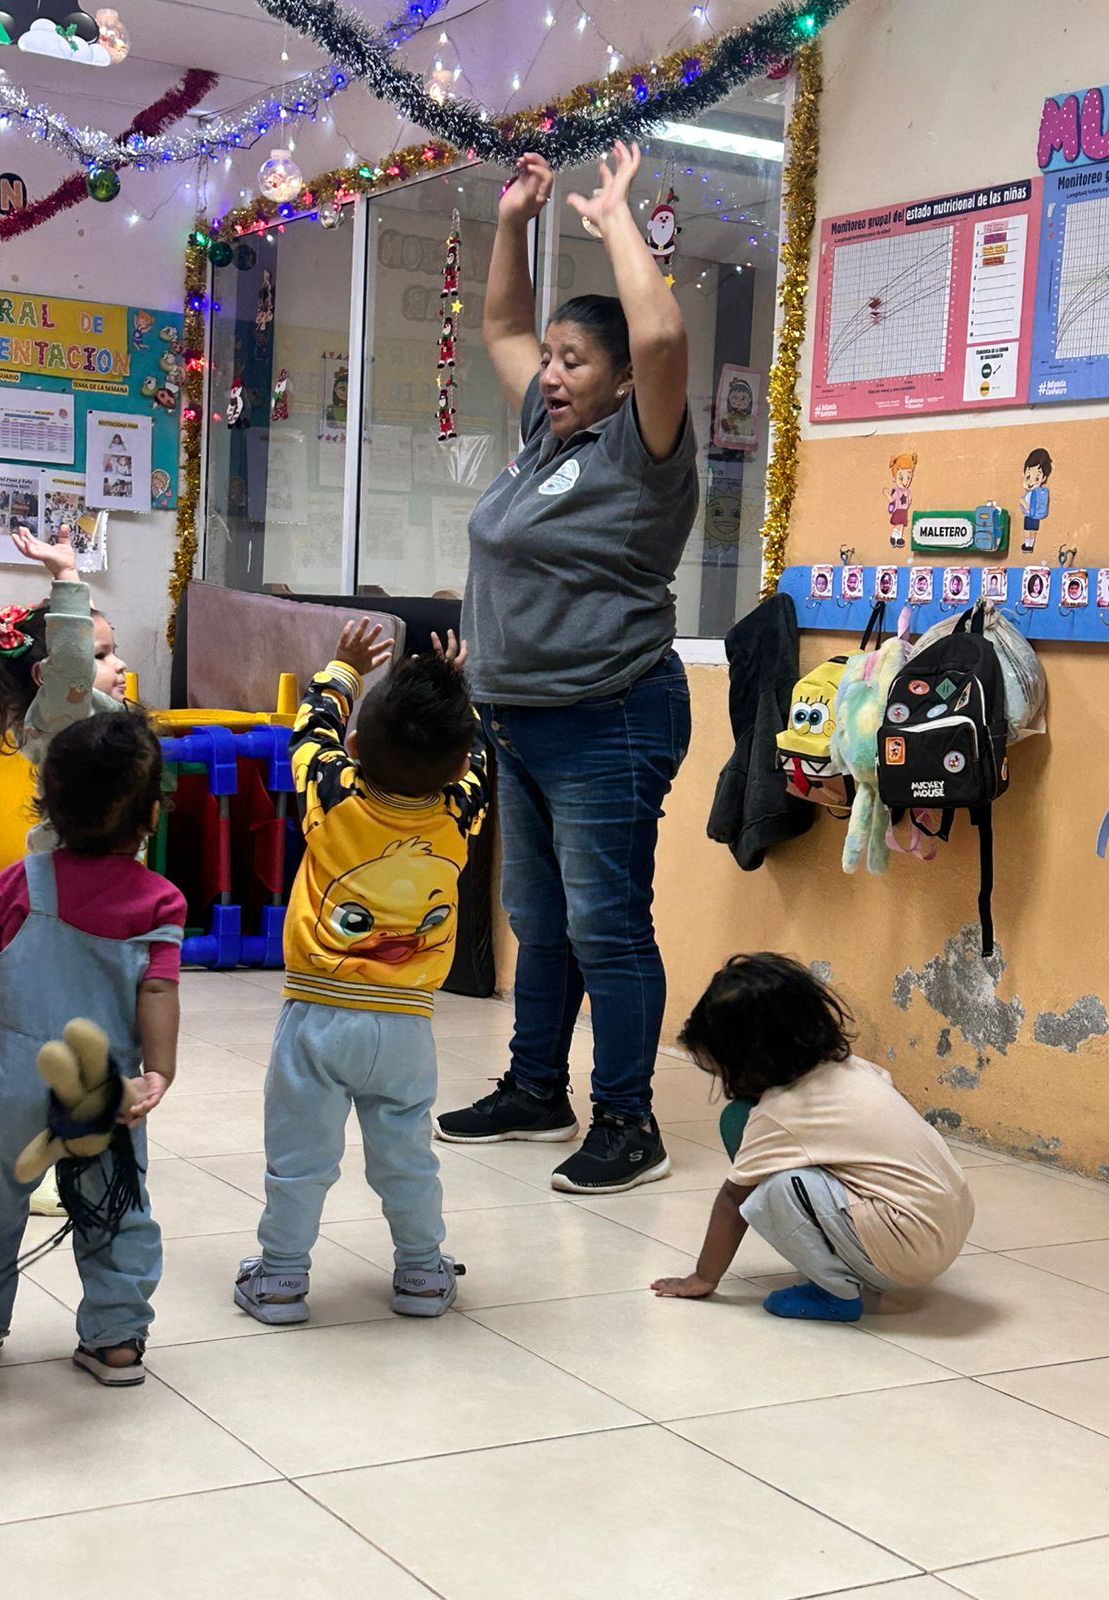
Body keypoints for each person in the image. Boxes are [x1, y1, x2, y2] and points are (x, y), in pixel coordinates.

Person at [435, 142, 698, 1195]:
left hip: (609, 714)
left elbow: (664, 332)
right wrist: (511, 221)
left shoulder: (642, 447)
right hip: (521, 717)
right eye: (552, 358)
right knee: (540, 923)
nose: (550, 372)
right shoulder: (547, 439)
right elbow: (501, 328)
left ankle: (628, 1122)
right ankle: (536, 1087)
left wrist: (614, 216)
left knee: (606, 925)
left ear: (624, 378)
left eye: (575, 360)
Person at [0, 714, 185, 1382]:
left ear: (47, 804)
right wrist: (158, 1071)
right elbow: (157, 990)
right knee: (115, 1207)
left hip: (6, 1079)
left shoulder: (19, 883)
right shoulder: (160, 901)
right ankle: (116, 1340)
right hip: (101, 1090)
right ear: (151, 813)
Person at [233, 622, 491, 1325]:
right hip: (406, 1025)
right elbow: (475, 751)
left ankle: (280, 1279)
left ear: (353, 750)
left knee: (300, 1157)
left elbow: (310, 726)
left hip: (317, 1015)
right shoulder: (460, 808)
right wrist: (455, 688)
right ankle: (422, 1273)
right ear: (456, 764)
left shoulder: (332, 792)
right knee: (406, 1157)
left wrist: (345, 668)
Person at [651, 954, 974, 1320]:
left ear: (749, 1062)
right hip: (946, 1222)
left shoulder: (781, 1113)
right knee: (745, 1124)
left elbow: (731, 1201)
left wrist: (703, 1277)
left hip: (910, 1249)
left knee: (776, 1188)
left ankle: (836, 1293)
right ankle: (850, 1258)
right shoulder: (854, 1067)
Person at [0, 522, 127, 1218]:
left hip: (98, 899)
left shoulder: (95, 711)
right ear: (52, 675)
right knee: (63, 1028)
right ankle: (36, 1145)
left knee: (89, 1028)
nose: (117, 664)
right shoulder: (61, 713)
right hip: (65, 900)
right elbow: (68, 664)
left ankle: (74, 1132)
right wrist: (67, 580)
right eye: (102, 654)